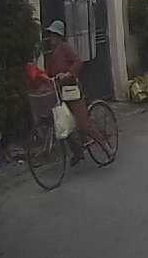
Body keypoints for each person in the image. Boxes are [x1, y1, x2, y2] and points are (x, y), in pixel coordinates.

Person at [42, 20, 103, 164]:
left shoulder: (65, 48)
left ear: (59, 36)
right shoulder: (51, 54)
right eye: (50, 35)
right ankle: (78, 152)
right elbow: (48, 72)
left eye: (53, 35)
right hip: (60, 93)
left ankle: (104, 145)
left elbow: (78, 62)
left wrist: (68, 74)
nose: (51, 38)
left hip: (72, 91)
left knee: (83, 124)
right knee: (64, 125)